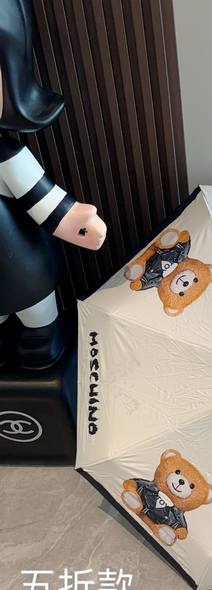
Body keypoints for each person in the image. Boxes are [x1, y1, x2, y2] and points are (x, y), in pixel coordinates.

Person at [0, 0, 106, 368]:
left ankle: (42, 331)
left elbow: (42, 199)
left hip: (19, 261)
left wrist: (75, 219)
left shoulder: (6, 157)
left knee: (37, 314)